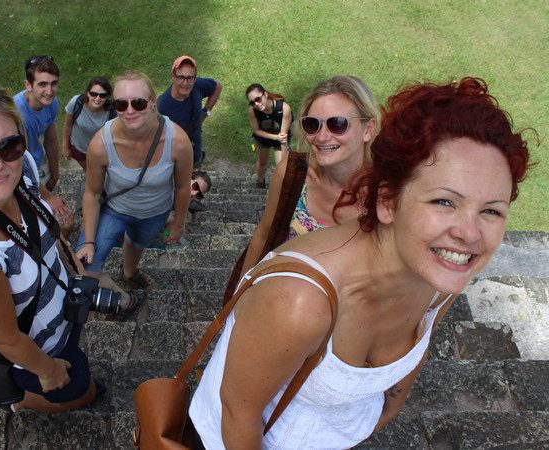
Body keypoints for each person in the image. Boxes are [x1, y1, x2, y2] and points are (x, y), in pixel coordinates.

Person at [189, 77, 532, 448]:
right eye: (443, 202)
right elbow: (238, 414)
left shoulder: (441, 278)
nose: (470, 233)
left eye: (492, 210)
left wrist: (386, 411)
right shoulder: (299, 302)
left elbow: (415, 351)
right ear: (386, 203)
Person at [0, 81, 142, 412]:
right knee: (81, 394)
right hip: (38, 349)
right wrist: (47, 370)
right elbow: (5, 339)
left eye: (9, 145)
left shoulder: (24, 166)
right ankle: (19, 402)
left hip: (63, 314)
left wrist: (77, 273)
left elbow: (45, 224)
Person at [236, 76, 381, 281]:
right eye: (312, 124)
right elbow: (263, 233)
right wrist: (239, 293)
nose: (321, 137)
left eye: (337, 124)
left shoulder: (386, 197)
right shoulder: (291, 174)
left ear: (368, 129)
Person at [76, 70, 193, 289]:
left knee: (137, 243)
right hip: (115, 210)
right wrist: (90, 241)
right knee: (85, 266)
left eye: (138, 103)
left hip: (154, 212)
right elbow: (92, 193)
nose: (130, 111)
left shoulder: (177, 140)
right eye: (121, 104)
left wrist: (178, 223)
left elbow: (183, 186)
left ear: (152, 102)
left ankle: (129, 274)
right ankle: (120, 300)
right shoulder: (101, 144)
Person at [13, 55, 72, 229]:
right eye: (42, 84)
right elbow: (19, 164)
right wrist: (47, 196)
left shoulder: (51, 103)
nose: (50, 90)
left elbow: (51, 137)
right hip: (19, 172)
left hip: (37, 162)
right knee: (62, 225)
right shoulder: (18, 116)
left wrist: (55, 173)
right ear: (28, 85)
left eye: (54, 83)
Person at [157, 55, 222, 168]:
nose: (185, 83)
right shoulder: (162, 107)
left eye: (189, 78)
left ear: (194, 78)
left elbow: (218, 86)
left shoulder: (196, 85)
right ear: (173, 77)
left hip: (195, 151)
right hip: (178, 161)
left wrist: (206, 112)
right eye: (181, 77)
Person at [246, 83, 293, 188]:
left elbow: (283, 137)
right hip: (264, 138)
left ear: (265, 94)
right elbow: (256, 130)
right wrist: (275, 137)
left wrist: (284, 158)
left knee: (281, 167)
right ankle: (260, 181)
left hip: (281, 139)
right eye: (252, 102)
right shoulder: (252, 111)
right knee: (262, 162)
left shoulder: (284, 108)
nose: (256, 104)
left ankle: (279, 188)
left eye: (258, 99)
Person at [62, 76, 114, 172]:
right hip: (79, 149)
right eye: (94, 94)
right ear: (88, 93)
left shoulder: (112, 111)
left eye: (102, 95)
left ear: (107, 97)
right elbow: (68, 125)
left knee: (104, 173)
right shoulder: (76, 102)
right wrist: (65, 147)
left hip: (101, 151)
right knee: (89, 172)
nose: (97, 98)